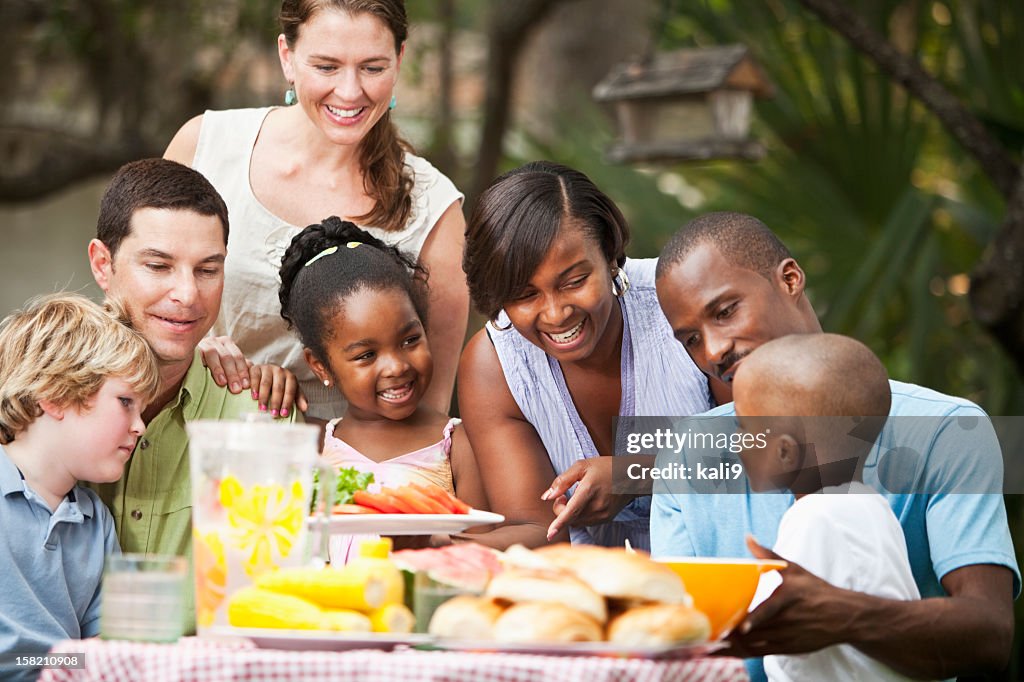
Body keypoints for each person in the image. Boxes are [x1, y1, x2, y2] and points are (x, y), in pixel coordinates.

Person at [652, 211, 1017, 679]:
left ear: (789, 279)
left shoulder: (946, 430)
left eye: (725, 311)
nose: (713, 350)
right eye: (690, 339)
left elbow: (989, 636)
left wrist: (845, 616)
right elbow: (677, 640)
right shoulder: (686, 455)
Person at [164, 0, 468, 422]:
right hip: (190, 440)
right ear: (287, 57)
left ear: (399, 60)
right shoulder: (204, 148)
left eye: (373, 68)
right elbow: (127, 313)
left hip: (343, 472)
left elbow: (429, 420)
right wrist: (195, 352)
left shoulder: (435, 210)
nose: (349, 91)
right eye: (326, 67)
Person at [86, 158, 297, 634]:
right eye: (158, 265)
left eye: (208, 269)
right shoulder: (34, 404)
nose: (187, 294)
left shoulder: (261, 419)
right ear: (104, 264)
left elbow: (269, 609)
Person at [458, 161, 711, 551]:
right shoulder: (494, 366)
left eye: (575, 282)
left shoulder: (683, 298)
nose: (556, 313)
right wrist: (431, 549)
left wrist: (635, 475)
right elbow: (536, 530)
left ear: (610, 254)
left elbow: (814, 450)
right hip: (588, 592)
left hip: (729, 574)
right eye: (525, 296)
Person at [278, 217, 488, 561]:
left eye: (409, 340)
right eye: (366, 355)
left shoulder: (457, 445)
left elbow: (481, 555)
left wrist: (437, 546)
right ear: (320, 365)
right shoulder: (314, 444)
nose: (397, 366)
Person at [734, 333, 920, 681]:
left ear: (784, 452)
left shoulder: (814, 518)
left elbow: (769, 621)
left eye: (743, 427)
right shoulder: (869, 506)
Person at [0, 294, 159, 682]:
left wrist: (66, 665)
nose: (141, 427)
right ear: (54, 395)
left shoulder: (95, 521)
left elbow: (104, 649)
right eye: (125, 402)